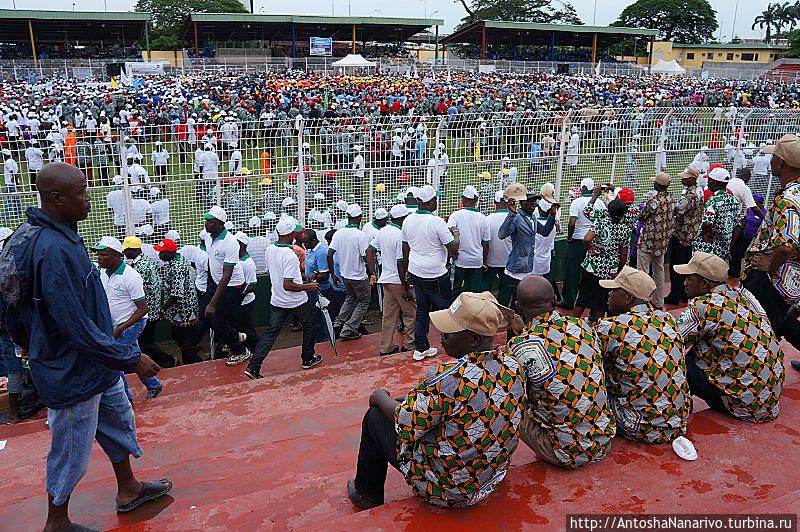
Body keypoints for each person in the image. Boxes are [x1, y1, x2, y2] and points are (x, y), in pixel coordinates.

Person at [1, 162, 170, 532]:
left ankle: (128, 488)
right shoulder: (51, 249)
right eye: (81, 192)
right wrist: (129, 357)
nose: (89, 198)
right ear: (57, 198)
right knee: (71, 449)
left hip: (96, 362)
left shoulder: (53, 234)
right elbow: (74, 327)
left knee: (117, 422)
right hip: (73, 369)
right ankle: (57, 522)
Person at [348, 292, 524, 510]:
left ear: (474, 340)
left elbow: (405, 422)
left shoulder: (449, 378)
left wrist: (379, 396)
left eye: (449, 333)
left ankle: (366, 494)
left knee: (375, 416)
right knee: (409, 403)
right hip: (491, 474)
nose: (441, 336)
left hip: (450, 491)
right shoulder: (513, 365)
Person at [508, 275, 615, 468]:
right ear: (554, 300)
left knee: (505, 397)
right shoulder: (583, 326)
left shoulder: (519, 346)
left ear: (518, 306)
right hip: (603, 440)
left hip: (565, 452)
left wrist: (521, 334)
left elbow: (534, 354)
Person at [677, 252, 784, 423]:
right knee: (708, 340)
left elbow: (670, 343)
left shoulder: (703, 306)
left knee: (676, 357)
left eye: (689, 278)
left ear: (704, 284)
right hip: (768, 399)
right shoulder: (745, 296)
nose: (684, 283)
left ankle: (677, 409)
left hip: (743, 405)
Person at [596, 267, 691, 443]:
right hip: (677, 421)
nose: (609, 294)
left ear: (629, 298)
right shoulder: (667, 319)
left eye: (614, 290)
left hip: (642, 427)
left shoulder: (611, 327)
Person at [244, 217, 322, 379]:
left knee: (271, 333)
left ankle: (253, 366)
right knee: (309, 325)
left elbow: (281, 276)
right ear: (291, 234)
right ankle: (307, 358)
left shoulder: (270, 249)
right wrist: (309, 286)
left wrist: (302, 279)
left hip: (277, 300)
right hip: (295, 300)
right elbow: (289, 285)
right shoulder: (290, 255)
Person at [743, 134, 800, 351]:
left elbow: (786, 246)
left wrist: (770, 265)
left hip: (771, 279)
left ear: (781, 162)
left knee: (757, 333)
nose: (771, 161)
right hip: (789, 281)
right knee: (773, 328)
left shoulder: (788, 199)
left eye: (773, 156)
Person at [94, 236, 164, 402]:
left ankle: (125, 397)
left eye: (104, 254)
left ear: (117, 255)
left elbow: (143, 308)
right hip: (115, 325)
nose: (99, 258)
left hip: (130, 325)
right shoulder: (103, 273)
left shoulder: (131, 277)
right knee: (132, 356)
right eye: (98, 254)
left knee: (115, 359)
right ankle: (153, 385)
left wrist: (121, 328)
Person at [401, 185, 459, 361]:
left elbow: (405, 247)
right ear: (431, 201)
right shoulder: (436, 222)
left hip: (416, 270)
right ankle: (455, 344)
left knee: (422, 310)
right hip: (435, 272)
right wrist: (455, 232)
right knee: (446, 309)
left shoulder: (408, 220)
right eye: (435, 199)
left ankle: (420, 347)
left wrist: (406, 269)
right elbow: (453, 246)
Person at [573, 193, 635, 323]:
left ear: (609, 210)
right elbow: (623, 254)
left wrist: (590, 247)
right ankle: (598, 328)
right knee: (602, 301)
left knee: (583, 297)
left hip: (592, 266)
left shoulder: (601, 221)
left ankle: (571, 324)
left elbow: (587, 238)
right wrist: (621, 270)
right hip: (609, 271)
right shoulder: (625, 228)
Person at [201, 206, 251, 366]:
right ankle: (234, 336)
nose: (206, 224)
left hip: (232, 286)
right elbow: (212, 263)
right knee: (204, 315)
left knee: (216, 319)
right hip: (217, 283)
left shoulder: (230, 242)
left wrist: (213, 303)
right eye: (206, 220)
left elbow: (227, 275)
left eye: (210, 221)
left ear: (220, 223)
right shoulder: (210, 238)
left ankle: (240, 350)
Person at [498, 183, 557, 311]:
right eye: (528, 201)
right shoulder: (516, 217)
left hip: (528, 267)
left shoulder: (533, 218)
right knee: (518, 303)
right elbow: (501, 234)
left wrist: (552, 215)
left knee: (522, 303)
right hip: (517, 268)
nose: (532, 204)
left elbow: (545, 231)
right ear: (521, 202)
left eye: (534, 201)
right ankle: (513, 330)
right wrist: (511, 214)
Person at [367, 204, 416, 356]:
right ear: (402, 218)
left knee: (389, 316)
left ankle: (386, 346)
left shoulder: (383, 231)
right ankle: (409, 344)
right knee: (410, 313)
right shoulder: (400, 235)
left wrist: (372, 273)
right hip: (398, 280)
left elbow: (369, 250)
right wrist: (406, 286)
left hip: (386, 279)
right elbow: (400, 263)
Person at [122, 236, 173, 369]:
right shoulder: (145, 262)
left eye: (126, 250)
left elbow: (136, 290)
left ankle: (168, 361)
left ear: (132, 250)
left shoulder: (141, 267)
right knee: (146, 342)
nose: (124, 253)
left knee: (146, 343)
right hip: (151, 308)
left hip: (147, 311)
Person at [155, 237, 201, 365]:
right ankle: (194, 357)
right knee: (179, 336)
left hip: (184, 309)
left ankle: (191, 364)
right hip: (182, 308)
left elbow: (176, 294)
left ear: (169, 253)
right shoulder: (178, 258)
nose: (159, 255)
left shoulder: (177, 268)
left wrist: (163, 309)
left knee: (184, 340)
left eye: (161, 252)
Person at [328, 204, 370, 341]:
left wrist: (333, 274)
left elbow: (329, 254)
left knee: (351, 298)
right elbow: (365, 257)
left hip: (344, 275)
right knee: (363, 302)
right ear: (359, 218)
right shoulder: (360, 235)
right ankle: (348, 329)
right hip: (359, 276)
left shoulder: (339, 233)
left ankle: (338, 323)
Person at [561, 178, 605, 309]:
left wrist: (569, 238)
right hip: (593, 240)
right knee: (592, 273)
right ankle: (590, 303)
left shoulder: (577, 202)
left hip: (578, 241)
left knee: (572, 273)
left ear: (582, 188)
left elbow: (572, 223)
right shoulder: (601, 203)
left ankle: (569, 301)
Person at [636, 172, 675, 309]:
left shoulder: (654, 201)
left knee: (642, 271)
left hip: (648, 241)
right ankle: (658, 301)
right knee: (659, 272)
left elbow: (641, 216)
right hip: (662, 242)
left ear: (658, 184)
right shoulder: (671, 198)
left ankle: (643, 301)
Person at [665, 166, 702, 305]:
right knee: (686, 266)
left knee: (676, 266)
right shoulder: (698, 191)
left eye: (685, 177)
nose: (682, 179)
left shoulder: (690, 195)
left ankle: (676, 294)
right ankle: (684, 293)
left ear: (692, 179)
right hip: (691, 234)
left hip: (682, 235)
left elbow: (678, 209)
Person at [302, 229, 345, 342]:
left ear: (313, 240)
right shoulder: (310, 250)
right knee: (314, 315)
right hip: (311, 287)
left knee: (317, 316)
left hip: (319, 289)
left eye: (306, 242)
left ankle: (322, 339)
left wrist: (310, 277)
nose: (304, 245)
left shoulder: (321, 252)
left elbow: (324, 275)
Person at [447, 185, 490, 295]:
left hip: (460, 260)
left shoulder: (456, 215)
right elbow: (486, 244)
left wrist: (452, 253)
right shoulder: (483, 218)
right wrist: (483, 261)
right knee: (474, 294)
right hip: (476, 260)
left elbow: (448, 235)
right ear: (476, 200)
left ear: (463, 200)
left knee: (455, 290)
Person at [693, 166, 741, 261]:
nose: (708, 182)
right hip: (723, 250)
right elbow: (738, 227)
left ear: (714, 183)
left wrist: (704, 235)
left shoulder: (713, 200)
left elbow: (707, 223)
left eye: (709, 180)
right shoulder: (734, 200)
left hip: (708, 249)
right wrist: (729, 245)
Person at [727, 168, 764, 278]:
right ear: (747, 178)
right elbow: (754, 208)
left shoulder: (730, 182)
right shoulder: (744, 188)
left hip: (724, 219)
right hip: (734, 223)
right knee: (737, 249)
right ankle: (733, 274)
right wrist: (766, 219)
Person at [484, 190, 513, 306]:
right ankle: (503, 310)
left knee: (486, 286)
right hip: (508, 259)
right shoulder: (512, 217)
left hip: (491, 260)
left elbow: (484, 242)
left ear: (495, 202)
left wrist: (484, 260)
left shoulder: (488, 219)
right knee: (505, 287)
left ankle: (485, 309)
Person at [233, 232, 259, 353]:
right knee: (244, 328)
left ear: (241, 245)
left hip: (244, 303)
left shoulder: (247, 263)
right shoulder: (238, 260)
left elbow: (252, 285)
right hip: (239, 302)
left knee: (244, 329)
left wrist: (237, 296)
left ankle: (257, 350)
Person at [2, 148, 21, 221]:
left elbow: (13, 172)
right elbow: (17, 172)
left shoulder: (7, 162)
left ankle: (6, 216)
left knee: (8, 201)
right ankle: (18, 214)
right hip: (14, 183)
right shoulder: (13, 161)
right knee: (16, 200)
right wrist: (17, 183)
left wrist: (15, 181)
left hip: (9, 183)